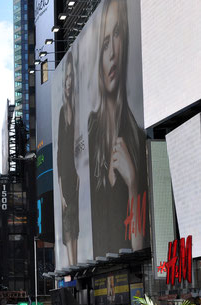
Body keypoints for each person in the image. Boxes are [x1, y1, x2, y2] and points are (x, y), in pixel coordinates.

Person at [88, 0, 148, 259]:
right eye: (103, 44)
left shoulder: (138, 136)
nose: (111, 51)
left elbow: (140, 249)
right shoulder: (91, 128)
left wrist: (133, 183)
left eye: (117, 34)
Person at [57, 50, 80, 266]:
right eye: (67, 77)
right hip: (66, 175)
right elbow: (60, 152)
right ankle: (72, 265)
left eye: (72, 77)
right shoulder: (63, 111)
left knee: (75, 222)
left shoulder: (77, 108)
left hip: (77, 173)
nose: (69, 82)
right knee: (68, 223)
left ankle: (75, 265)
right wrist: (61, 186)